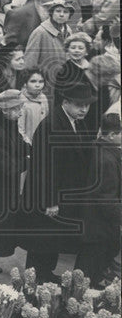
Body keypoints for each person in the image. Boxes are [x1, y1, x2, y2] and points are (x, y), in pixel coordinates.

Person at [21, 80, 98, 283]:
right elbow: (43, 167)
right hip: (48, 195)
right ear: (66, 102)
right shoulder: (52, 126)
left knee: (52, 238)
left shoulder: (74, 121)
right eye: (79, 105)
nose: (84, 110)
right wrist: (50, 200)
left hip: (60, 193)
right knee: (42, 238)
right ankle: (34, 278)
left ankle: (45, 272)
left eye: (87, 105)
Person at [0, 88, 30, 268]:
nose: (20, 113)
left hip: (6, 187)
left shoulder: (7, 123)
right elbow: (9, 167)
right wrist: (28, 158)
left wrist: (26, 153)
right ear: (5, 109)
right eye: (17, 109)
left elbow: (21, 145)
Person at [73, 113, 122, 284]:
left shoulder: (100, 149)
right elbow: (106, 198)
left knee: (87, 266)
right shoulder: (107, 160)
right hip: (99, 225)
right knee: (89, 271)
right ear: (111, 136)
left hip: (93, 222)